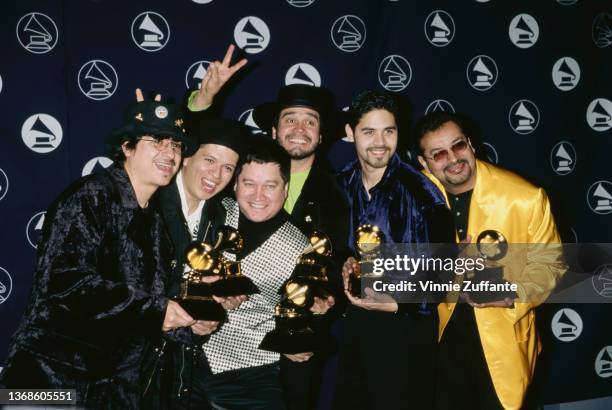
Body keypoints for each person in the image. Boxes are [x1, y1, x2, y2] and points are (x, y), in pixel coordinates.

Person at [0, 91, 199, 408]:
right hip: (48, 384)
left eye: (176, 145)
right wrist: (157, 311)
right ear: (127, 147)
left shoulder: (155, 225)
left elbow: (150, 304)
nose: (170, 152)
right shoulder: (90, 197)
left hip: (110, 392)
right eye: (157, 141)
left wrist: (186, 323)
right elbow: (66, 284)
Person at [415, 111, 566, 410]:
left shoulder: (524, 198)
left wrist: (510, 292)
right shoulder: (411, 198)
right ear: (425, 163)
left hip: (502, 341)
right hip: (436, 343)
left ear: (470, 144)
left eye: (458, 146)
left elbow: (552, 267)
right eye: (439, 154)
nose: (453, 158)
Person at [336, 90, 455, 410]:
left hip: (406, 332)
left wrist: (395, 303)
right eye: (369, 131)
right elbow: (333, 249)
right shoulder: (339, 185)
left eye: (389, 131)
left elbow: (445, 273)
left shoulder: (423, 191)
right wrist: (344, 262)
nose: (380, 142)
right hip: (353, 328)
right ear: (350, 133)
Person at [200, 138, 330, 409]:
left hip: (251, 376)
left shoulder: (304, 250)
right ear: (235, 185)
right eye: (249, 184)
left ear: (285, 189)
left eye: (270, 186)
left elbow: (307, 316)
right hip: (184, 363)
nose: (258, 196)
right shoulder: (212, 214)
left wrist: (302, 340)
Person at [148, 115, 250, 409]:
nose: (217, 175)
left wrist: (213, 301)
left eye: (228, 167)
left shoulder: (219, 216)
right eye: (209, 160)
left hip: (180, 368)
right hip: (132, 362)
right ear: (186, 157)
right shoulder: (149, 201)